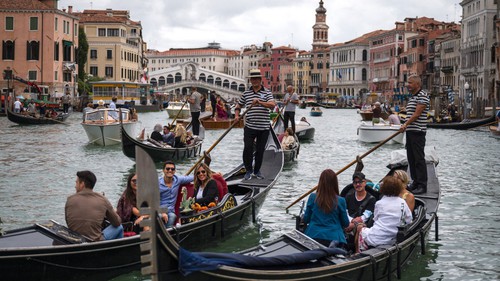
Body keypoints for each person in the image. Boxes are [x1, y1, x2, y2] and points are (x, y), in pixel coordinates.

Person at [234, 69, 276, 180]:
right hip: (249, 126)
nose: (255, 81)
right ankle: (248, 170)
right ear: (250, 80)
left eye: (257, 78)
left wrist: (259, 102)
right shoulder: (246, 93)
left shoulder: (266, 92)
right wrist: (237, 116)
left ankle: (257, 171)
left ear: (260, 80)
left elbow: (272, 105)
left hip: (264, 127)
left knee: (260, 150)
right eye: (253, 79)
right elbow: (238, 105)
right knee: (247, 148)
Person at [355, 176, 412, 253]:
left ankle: (357, 252)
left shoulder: (379, 203)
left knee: (359, 228)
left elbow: (375, 220)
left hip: (377, 237)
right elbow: (409, 219)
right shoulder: (402, 202)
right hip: (394, 236)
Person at [65, 170, 123, 241]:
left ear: (82, 184)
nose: (75, 186)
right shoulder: (103, 199)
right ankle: (116, 250)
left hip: (75, 240)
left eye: (76, 183)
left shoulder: (70, 199)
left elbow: (68, 222)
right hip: (95, 241)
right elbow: (117, 222)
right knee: (120, 227)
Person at [399, 75, 430, 194]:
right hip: (411, 132)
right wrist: (407, 126)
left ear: (417, 84)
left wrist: (405, 124)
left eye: (410, 83)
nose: (408, 85)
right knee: (411, 159)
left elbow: (417, 114)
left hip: (418, 132)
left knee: (418, 159)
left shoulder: (423, 96)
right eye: (408, 82)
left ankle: (422, 185)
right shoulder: (413, 97)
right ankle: (415, 182)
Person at [303, 169, 350, 247]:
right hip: (334, 237)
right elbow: (345, 223)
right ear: (335, 183)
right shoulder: (341, 201)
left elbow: (306, 219)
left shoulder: (312, 197)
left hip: (313, 235)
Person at [159, 161, 194, 227]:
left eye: (172, 169)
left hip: (171, 211)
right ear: (163, 170)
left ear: (174, 171)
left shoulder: (178, 179)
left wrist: (212, 174)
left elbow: (193, 177)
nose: (170, 170)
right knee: (160, 216)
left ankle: (168, 233)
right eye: (167, 169)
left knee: (172, 216)